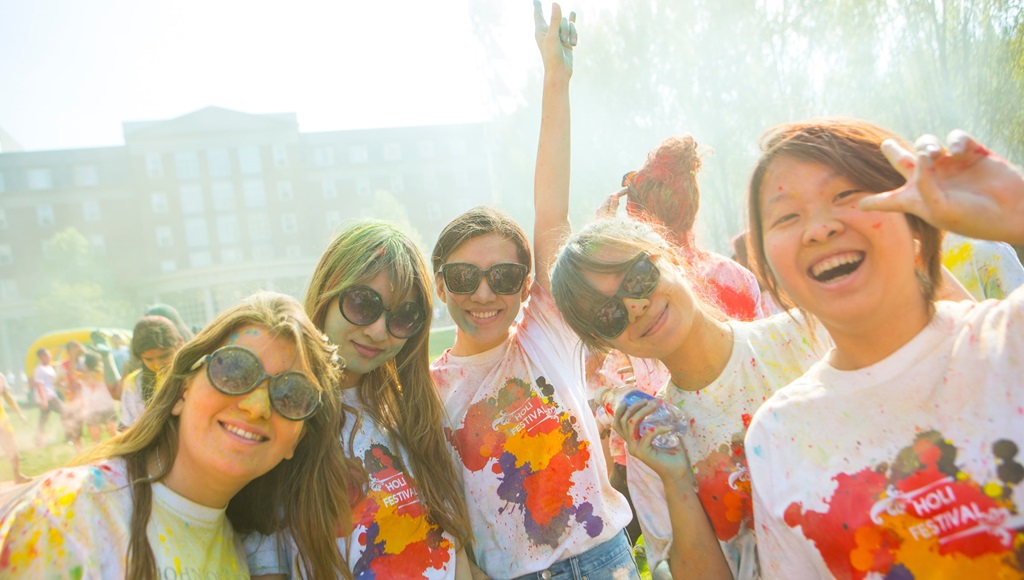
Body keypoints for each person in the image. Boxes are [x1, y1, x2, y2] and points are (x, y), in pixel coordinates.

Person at [743, 122, 1024, 577]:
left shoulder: (1009, 341)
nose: (818, 228)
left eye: (845, 195)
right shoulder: (778, 436)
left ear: (918, 216)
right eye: (786, 217)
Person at [429, 4, 638, 577]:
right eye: (465, 278)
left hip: (605, 562)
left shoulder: (546, 329)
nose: (484, 295)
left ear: (528, 285)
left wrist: (555, 79)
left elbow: (551, 208)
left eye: (503, 277)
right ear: (440, 284)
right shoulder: (425, 392)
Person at [549, 217, 833, 579]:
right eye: (609, 314)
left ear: (668, 256)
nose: (635, 307)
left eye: (638, 278)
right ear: (605, 341)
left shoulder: (807, 339)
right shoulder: (653, 445)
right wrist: (677, 479)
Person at [0, 292, 355, 578]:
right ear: (183, 391)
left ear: (297, 440)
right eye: (233, 369)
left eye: (293, 395)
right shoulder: (70, 513)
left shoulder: (239, 550)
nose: (257, 406)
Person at [247, 221, 474, 579]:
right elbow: (265, 564)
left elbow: (451, 543)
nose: (378, 331)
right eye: (362, 303)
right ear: (327, 291)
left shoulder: (412, 413)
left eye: (403, 316)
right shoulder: (283, 415)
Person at [120, 315, 185, 429]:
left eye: (164, 356)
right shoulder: (134, 383)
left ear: (180, 344)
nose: (157, 365)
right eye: (149, 359)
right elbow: (127, 426)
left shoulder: (192, 377)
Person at [80, 352, 117, 443]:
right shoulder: (103, 373)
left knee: (96, 439)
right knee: (114, 435)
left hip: (92, 408)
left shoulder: (83, 375)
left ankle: (99, 456)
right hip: (106, 406)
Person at [31, 348, 64, 448]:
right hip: (48, 397)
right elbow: (39, 385)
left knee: (43, 420)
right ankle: (70, 435)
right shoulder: (39, 370)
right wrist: (43, 400)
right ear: (42, 357)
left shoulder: (49, 368)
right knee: (66, 412)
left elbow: (52, 383)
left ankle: (39, 440)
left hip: (50, 395)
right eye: (48, 355)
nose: (50, 356)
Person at [0, 372, 30, 484]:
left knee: (12, 448)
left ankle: (17, 476)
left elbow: (7, 396)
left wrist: (19, 414)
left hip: (1, 418)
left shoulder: (0, 377)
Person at [57, 340, 85, 452]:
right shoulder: (63, 365)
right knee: (77, 429)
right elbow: (57, 382)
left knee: (94, 426)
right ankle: (79, 453)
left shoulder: (84, 362)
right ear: (68, 351)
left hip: (90, 399)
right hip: (73, 400)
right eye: (73, 348)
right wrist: (64, 389)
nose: (76, 350)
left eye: (77, 347)